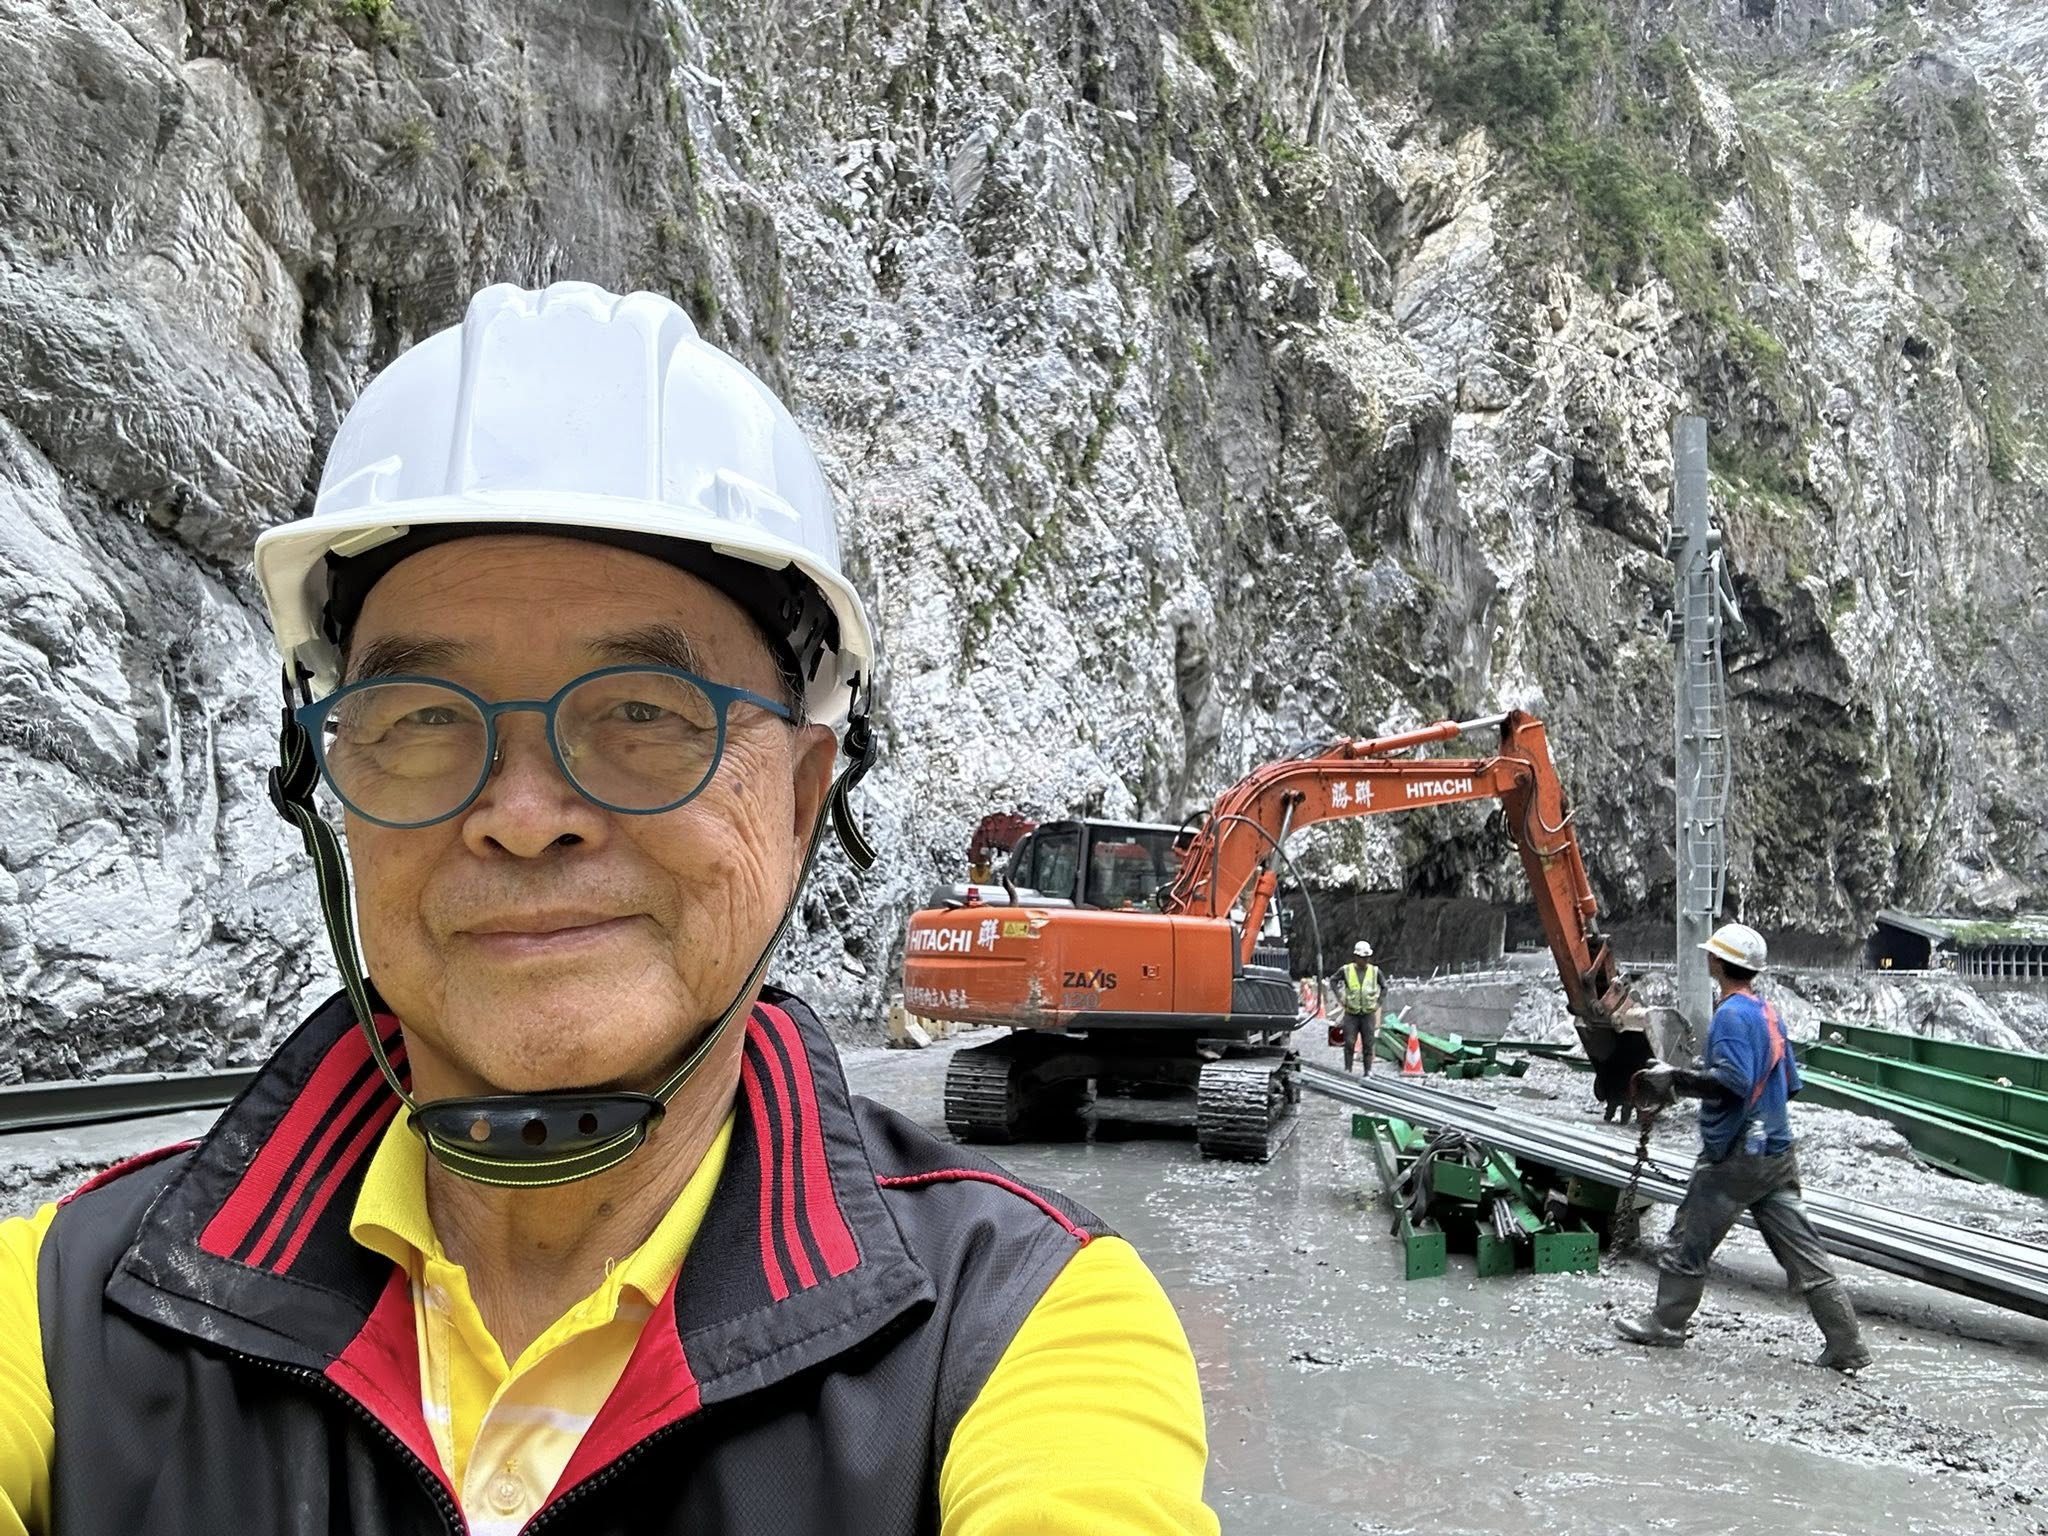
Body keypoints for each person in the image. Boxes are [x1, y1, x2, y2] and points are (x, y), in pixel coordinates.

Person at [0, 283, 1218, 1535]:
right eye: (423, 720)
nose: (524, 814)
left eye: (643, 712)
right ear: (334, 789)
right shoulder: (57, 1308)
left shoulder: (1017, 1330)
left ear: (801, 800)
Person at [1613, 922, 1870, 1372]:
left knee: (1687, 1239)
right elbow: (1789, 1083)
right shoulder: (1767, 1013)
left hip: (1734, 1156)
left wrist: (1676, 1078)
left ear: (1716, 962)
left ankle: (1666, 1324)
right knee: (1803, 1252)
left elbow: (1733, 1082)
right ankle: (1846, 1343)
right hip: (1775, 1151)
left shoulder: (1730, 1015)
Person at [1331, 940, 1384, 1075]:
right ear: (1356, 957)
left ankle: (1368, 1071)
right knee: (1349, 1042)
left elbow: (1384, 987)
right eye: (1362, 958)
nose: (1365, 960)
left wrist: (1378, 1003)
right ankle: (1348, 1069)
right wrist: (1340, 997)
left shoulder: (1375, 971)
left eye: (1367, 957)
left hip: (1368, 1013)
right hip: (1351, 1013)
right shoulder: (1346, 970)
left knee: (1368, 1043)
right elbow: (1333, 980)